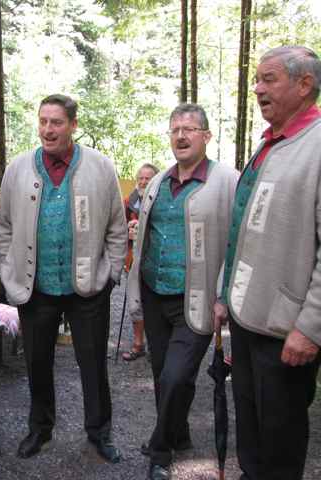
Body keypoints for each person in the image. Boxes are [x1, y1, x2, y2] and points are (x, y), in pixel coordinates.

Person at [0, 94, 127, 464]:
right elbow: (3, 226)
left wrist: (111, 273)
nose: (48, 129)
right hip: (36, 288)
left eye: (56, 122)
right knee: (37, 363)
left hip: (88, 290)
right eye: (43, 121)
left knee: (93, 364)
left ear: (73, 125)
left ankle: (99, 433)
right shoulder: (18, 169)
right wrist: (10, 272)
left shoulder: (100, 167)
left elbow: (117, 227)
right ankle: (39, 430)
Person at [214, 46, 321, 480]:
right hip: (248, 320)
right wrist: (224, 294)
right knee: (251, 428)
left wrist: (310, 327)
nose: (257, 88)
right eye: (256, 79)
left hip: (285, 329)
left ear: (304, 84)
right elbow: (242, 228)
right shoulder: (268, 144)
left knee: (280, 440)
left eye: (268, 79)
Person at [127, 104, 238, 480]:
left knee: (176, 375)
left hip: (197, 298)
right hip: (155, 293)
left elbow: (237, 242)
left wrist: (224, 295)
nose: (181, 135)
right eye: (175, 129)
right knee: (164, 374)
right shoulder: (158, 181)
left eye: (189, 129)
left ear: (206, 136)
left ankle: (160, 450)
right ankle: (180, 433)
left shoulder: (228, 181)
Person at [121, 163, 159, 362]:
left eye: (148, 178)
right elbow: (117, 228)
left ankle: (156, 346)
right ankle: (138, 344)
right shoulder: (129, 202)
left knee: (155, 305)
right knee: (135, 303)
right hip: (133, 260)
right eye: (141, 178)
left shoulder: (161, 200)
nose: (143, 182)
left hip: (155, 261)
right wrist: (127, 233)